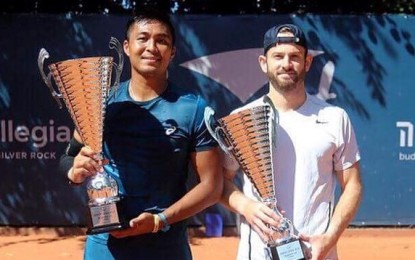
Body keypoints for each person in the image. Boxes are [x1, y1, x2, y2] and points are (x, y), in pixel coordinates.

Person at [59, 10, 223, 259]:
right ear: (126, 46)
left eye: (162, 40)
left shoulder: (193, 108)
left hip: (167, 247)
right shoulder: (100, 103)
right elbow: (67, 158)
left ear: (173, 51)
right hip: (105, 247)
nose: (152, 47)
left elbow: (212, 186)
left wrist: (160, 220)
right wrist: (75, 170)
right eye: (143, 38)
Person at [220, 24, 363, 260]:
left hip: (317, 253)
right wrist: (245, 205)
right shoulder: (241, 121)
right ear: (263, 63)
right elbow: (219, 182)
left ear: (307, 63)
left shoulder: (334, 118)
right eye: (278, 56)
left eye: (295, 57)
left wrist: (329, 238)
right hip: (256, 254)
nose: (286, 64)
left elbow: (353, 185)